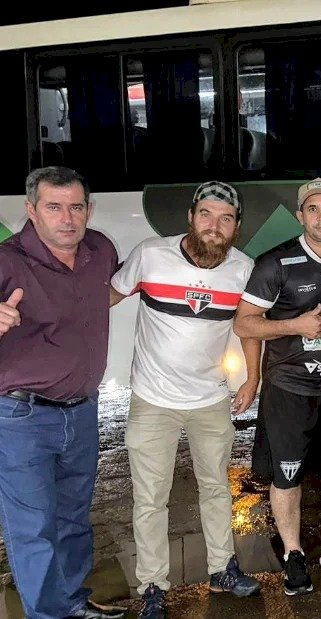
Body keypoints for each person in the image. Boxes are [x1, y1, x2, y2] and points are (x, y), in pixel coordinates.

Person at [111, 181, 262, 617]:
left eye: (226, 219)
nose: (215, 226)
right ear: (190, 216)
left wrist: (252, 378)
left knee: (216, 489)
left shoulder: (243, 268)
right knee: (149, 498)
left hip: (210, 399)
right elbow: (106, 296)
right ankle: (153, 586)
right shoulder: (150, 254)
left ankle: (222, 569)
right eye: (206, 215)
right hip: (152, 399)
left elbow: (248, 326)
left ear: (236, 227)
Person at [0, 166, 124, 619]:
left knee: (73, 518)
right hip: (21, 417)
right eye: (54, 207)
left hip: (84, 410)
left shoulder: (100, 249)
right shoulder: (7, 260)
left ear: (89, 209)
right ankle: (48, 614)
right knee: (33, 527)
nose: (67, 218)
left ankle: (71, 602)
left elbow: (106, 295)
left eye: (76, 207)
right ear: (32, 210)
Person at [234, 178, 321, 596]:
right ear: (300, 216)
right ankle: (293, 553)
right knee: (287, 473)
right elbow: (243, 323)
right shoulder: (276, 263)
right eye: (313, 209)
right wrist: (294, 325)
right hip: (290, 387)